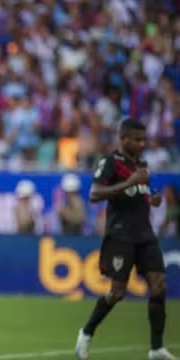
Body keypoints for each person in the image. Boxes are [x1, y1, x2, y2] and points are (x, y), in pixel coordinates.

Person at [75, 119, 176, 360]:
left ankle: (156, 348)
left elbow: (138, 195)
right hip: (121, 234)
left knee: (159, 286)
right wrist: (129, 183)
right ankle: (87, 332)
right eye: (137, 140)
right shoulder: (110, 163)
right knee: (117, 292)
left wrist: (151, 200)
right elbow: (95, 194)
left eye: (144, 139)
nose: (142, 144)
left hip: (145, 234)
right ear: (123, 139)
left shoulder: (141, 164)